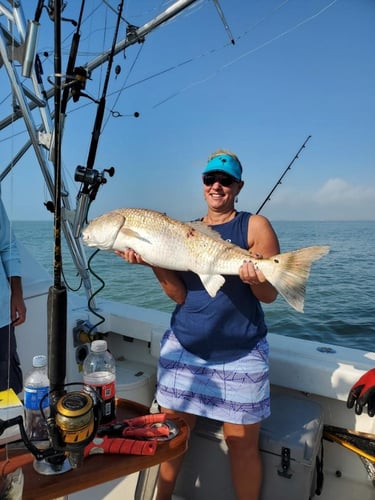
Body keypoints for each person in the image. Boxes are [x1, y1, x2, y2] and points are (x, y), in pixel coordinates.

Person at [116, 150, 280, 500]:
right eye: (210, 179)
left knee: (241, 446)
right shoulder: (184, 231)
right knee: (172, 435)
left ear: (238, 186)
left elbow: (269, 296)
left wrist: (253, 277)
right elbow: (178, 296)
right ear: (203, 184)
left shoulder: (255, 226)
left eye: (226, 180)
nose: (217, 186)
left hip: (241, 351)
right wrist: (152, 261)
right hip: (185, 345)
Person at [0, 191, 26, 395]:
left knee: (8, 389)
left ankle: (12, 427)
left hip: (1, 319)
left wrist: (16, 293)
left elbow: (7, 246)